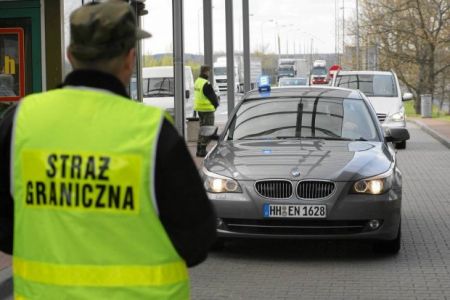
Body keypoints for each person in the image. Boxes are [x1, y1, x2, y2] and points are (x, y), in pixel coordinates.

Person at [0, 1, 216, 299]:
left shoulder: (21, 120)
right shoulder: (152, 132)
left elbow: (4, 226)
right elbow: (197, 238)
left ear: (70, 55)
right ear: (129, 58)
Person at [193, 65, 219, 157]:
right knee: (208, 130)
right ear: (207, 72)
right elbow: (212, 97)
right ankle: (202, 150)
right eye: (209, 71)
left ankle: (199, 149)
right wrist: (216, 104)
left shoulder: (197, 82)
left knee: (202, 130)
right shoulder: (206, 83)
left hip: (200, 110)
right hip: (207, 110)